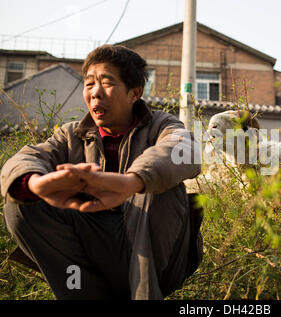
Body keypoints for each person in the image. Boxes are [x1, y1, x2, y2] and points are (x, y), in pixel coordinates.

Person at [0, 44, 202, 300]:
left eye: (107, 82)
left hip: (157, 260)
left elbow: (185, 149)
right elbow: (28, 157)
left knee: (155, 186)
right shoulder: (70, 135)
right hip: (94, 254)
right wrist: (38, 185)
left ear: (134, 93)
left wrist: (131, 182)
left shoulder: (161, 125)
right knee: (20, 203)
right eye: (89, 83)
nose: (95, 93)